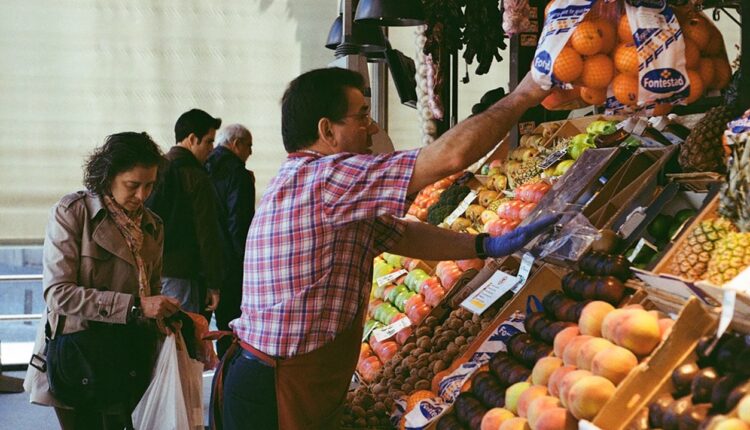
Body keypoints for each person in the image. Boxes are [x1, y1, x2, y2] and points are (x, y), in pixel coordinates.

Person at [216, 68, 554, 430]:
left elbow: (402, 236)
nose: (373, 128)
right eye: (362, 115)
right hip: (277, 385)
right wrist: (525, 94)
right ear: (326, 130)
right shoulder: (326, 178)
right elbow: (450, 157)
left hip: (276, 376)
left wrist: (482, 244)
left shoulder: (310, 183)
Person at [24, 132, 181, 429]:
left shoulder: (152, 225)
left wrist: (171, 317)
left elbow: (152, 288)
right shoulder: (73, 213)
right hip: (80, 354)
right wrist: (135, 307)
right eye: (133, 186)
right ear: (108, 176)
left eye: (149, 185)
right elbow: (58, 294)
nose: (142, 195)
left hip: (131, 354)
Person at [146, 109, 224, 315]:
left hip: (155, 271)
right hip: (184, 273)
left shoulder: (156, 169)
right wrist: (214, 283)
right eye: (208, 141)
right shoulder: (195, 177)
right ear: (192, 139)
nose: (212, 148)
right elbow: (207, 234)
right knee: (185, 336)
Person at [205, 123, 256, 358]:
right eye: (249, 146)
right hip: (230, 265)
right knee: (232, 329)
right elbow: (239, 224)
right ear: (236, 144)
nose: (251, 152)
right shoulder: (238, 174)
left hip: (204, 262)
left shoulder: (203, 166)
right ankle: (227, 385)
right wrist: (245, 265)